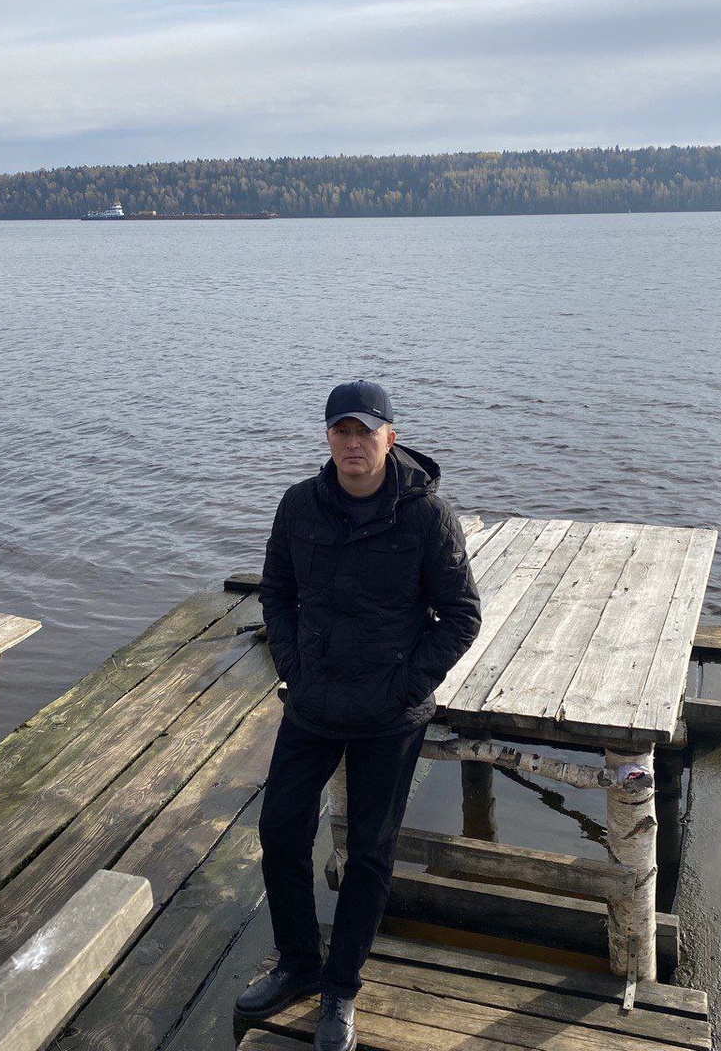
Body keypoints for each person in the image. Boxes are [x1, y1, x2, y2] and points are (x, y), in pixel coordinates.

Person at [234, 380, 482, 1051]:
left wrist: (406, 687)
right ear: (327, 437)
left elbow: (461, 615)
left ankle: (341, 987)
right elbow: (277, 592)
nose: (353, 444)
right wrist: (293, 667)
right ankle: (297, 964)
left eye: (365, 432)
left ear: (389, 439)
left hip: (388, 715)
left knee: (370, 852)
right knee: (280, 830)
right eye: (341, 431)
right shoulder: (299, 505)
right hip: (312, 702)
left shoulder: (427, 518)